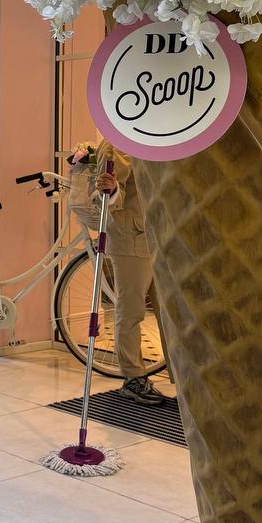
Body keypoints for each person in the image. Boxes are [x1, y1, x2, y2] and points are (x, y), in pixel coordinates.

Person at [95, 140, 166, 406]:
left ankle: (178, 372)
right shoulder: (117, 146)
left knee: (168, 310)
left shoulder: (155, 139)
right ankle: (133, 378)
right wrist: (111, 189)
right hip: (131, 238)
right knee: (132, 309)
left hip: (156, 235)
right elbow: (109, 196)